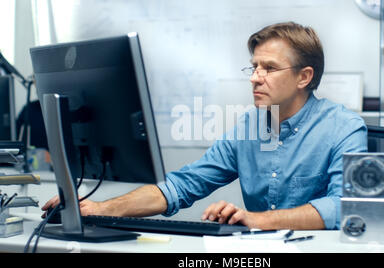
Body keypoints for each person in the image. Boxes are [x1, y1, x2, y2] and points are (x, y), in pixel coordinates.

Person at [42, 22, 367, 230]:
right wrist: (99, 208)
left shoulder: (344, 128)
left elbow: (345, 206)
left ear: (304, 77)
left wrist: (257, 219)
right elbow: (181, 186)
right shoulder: (253, 127)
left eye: (269, 68)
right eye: (253, 67)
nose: (255, 77)